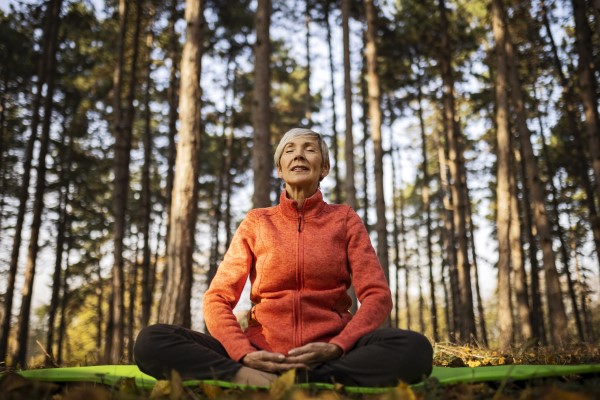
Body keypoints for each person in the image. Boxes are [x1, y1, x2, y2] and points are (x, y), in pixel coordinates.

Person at [134, 128, 433, 387]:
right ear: (280, 168)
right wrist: (243, 354)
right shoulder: (257, 222)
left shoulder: (344, 220)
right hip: (258, 354)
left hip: (331, 354)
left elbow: (377, 296)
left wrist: (338, 346)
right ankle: (246, 377)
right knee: (152, 341)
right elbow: (216, 299)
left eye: (309, 150)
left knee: (415, 349)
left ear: (324, 167)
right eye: (289, 150)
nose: (299, 155)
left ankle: (310, 380)